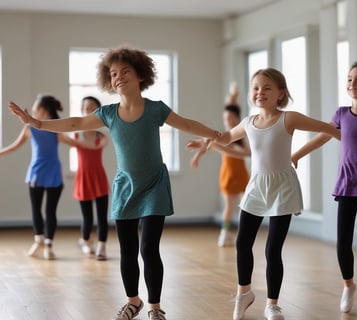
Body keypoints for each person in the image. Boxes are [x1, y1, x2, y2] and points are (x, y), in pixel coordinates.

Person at [8, 45, 221, 320]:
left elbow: (186, 124)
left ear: (141, 75)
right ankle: (133, 301)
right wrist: (36, 122)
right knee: (128, 250)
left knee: (149, 249)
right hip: (125, 187)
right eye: (113, 73)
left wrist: (217, 135)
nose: (118, 77)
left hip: (155, 184)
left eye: (125, 71)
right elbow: (74, 124)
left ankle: (155, 308)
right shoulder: (107, 113)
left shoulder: (155, 109)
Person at [204, 68, 340, 320]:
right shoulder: (247, 122)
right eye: (256, 88)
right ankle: (244, 292)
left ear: (281, 93)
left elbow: (326, 127)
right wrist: (207, 140)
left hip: (283, 188)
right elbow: (225, 137)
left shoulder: (289, 118)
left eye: (267, 88)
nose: (260, 92)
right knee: (243, 243)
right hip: (256, 188)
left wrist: (351, 140)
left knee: (272, 249)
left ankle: (272, 304)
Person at [292, 61, 357, 317]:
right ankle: (348, 285)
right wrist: (296, 154)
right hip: (348, 183)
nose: (352, 83)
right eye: (350, 79)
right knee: (342, 243)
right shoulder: (341, 115)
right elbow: (321, 137)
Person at [0, 95, 79, 260]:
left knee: (50, 210)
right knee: (36, 209)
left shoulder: (55, 129)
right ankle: (38, 240)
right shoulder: (30, 128)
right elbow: (14, 147)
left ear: (45, 110)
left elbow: (74, 144)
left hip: (54, 173)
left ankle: (48, 244)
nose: (34, 111)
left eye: (37, 108)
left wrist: (91, 144)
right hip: (36, 173)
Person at [189, 82, 250, 247]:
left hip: (242, 173)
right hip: (228, 173)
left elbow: (247, 152)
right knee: (230, 206)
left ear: (237, 118)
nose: (228, 121)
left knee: (246, 205)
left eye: (231, 118)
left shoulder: (242, 135)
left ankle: (243, 233)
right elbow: (207, 142)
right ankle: (225, 233)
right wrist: (198, 156)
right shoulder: (224, 136)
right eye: (225, 119)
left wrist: (233, 96)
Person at [74, 96, 110, 261]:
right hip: (83, 178)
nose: (89, 110)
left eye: (93, 107)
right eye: (86, 107)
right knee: (87, 216)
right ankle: (86, 241)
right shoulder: (75, 135)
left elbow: (98, 145)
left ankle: (102, 245)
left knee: (102, 216)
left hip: (98, 177)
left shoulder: (102, 136)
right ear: (82, 110)